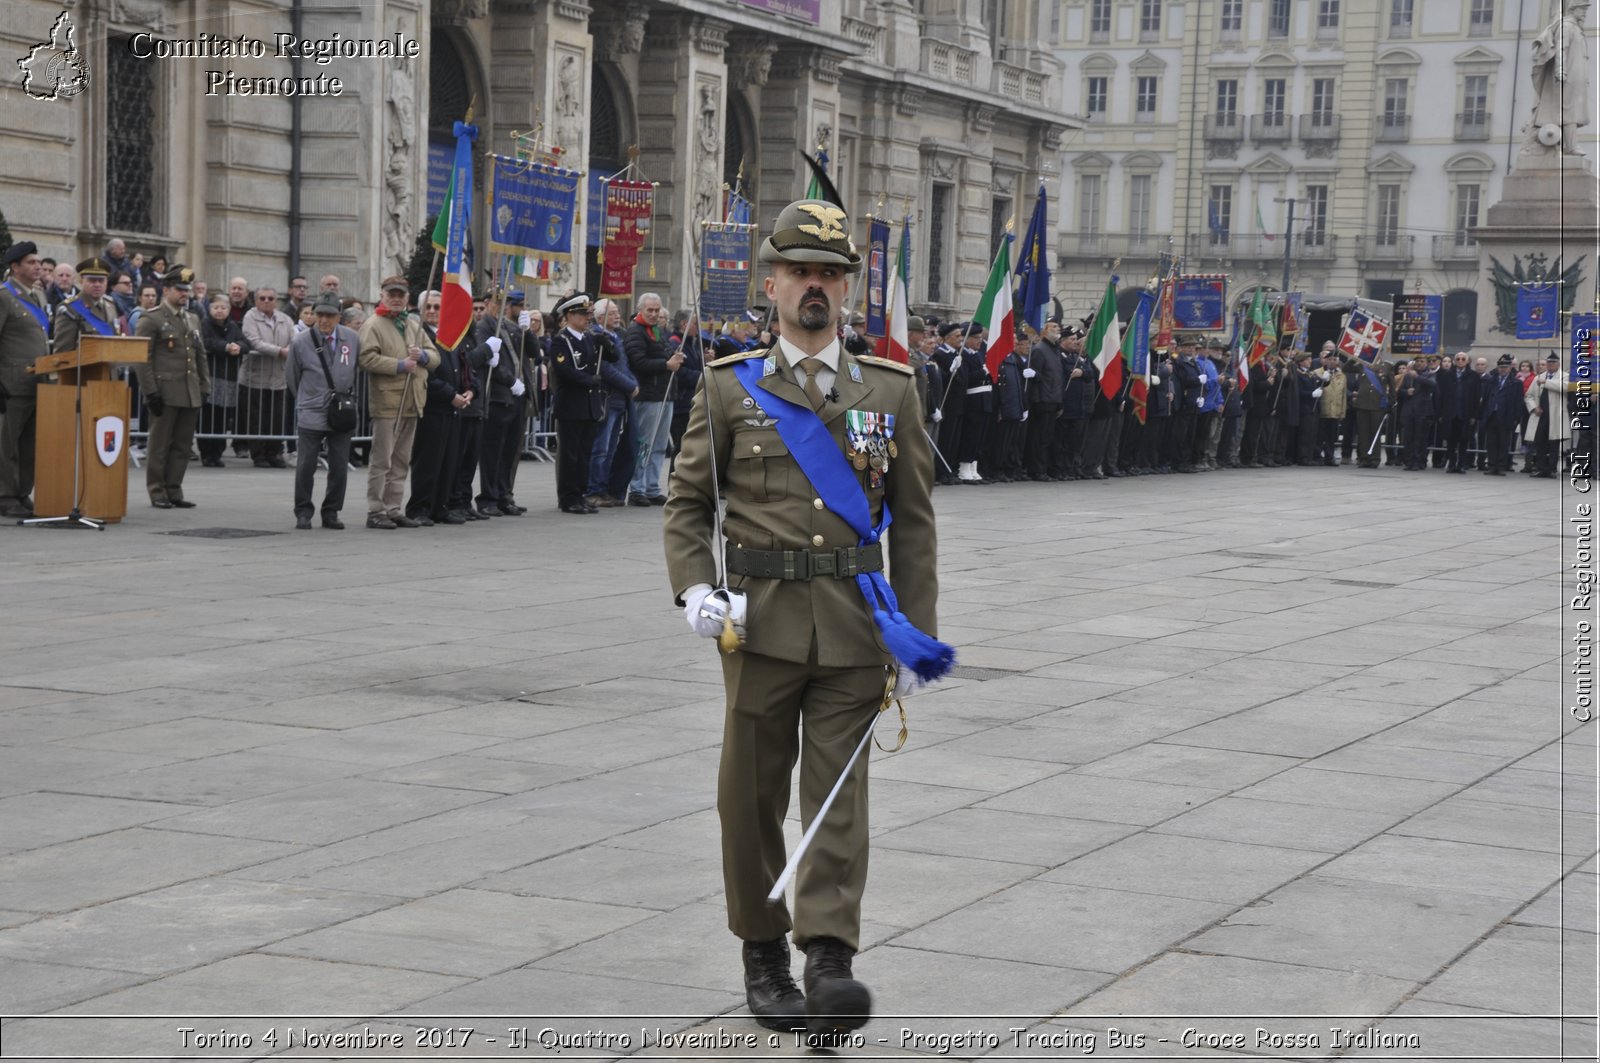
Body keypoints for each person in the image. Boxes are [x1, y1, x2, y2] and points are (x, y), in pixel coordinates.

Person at [662, 197, 941, 1040]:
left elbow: (916, 521)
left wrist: (912, 633)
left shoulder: (889, 388)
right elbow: (686, 504)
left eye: (830, 274)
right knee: (746, 798)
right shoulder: (727, 386)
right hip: (758, 624)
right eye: (801, 272)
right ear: (772, 283)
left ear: (846, 289)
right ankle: (762, 951)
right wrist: (693, 589)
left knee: (838, 798)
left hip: (855, 627)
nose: (815, 287)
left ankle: (828, 958)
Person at [358, 275, 436, 529]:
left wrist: (423, 355)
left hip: (412, 399)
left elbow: (435, 357)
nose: (395, 298)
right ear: (382, 295)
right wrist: (399, 365)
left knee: (401, 459)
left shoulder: (413, 323)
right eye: (391, 294)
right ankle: (376, 509)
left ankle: (393, 507)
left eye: (400, 295)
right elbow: (366, 358)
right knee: (382, 459)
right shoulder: (373, 324)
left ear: (407, 298)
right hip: (387, 400)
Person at [134, 267, 209, 508]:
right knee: (159, 444)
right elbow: (141, 358)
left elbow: (200, 355)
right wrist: (151, 392)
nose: (184, 294)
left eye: (186, 290)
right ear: (166, 290)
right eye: (179, 289)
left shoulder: (192, 318)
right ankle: (157, 491)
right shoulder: (152, 318)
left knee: (182, 445)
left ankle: (174, 489)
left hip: (189, 391)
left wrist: (204, 385)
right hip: (164, 391)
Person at [286, 292, 361, 528]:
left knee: (339, 465)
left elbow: (355, 369)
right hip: (312, 409)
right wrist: (309, 398)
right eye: (320, 315)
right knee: (306, 464)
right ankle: (303, 511)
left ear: (339, 316)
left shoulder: (351, 338)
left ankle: (331, 511)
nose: (324, 320)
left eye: (329, 315)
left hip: (341, 410)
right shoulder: (301, 342)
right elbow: (292, 377)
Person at [0, 241, 51, 517]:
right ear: (15, 267)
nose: (37, 267)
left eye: (38, 262)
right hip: (11, 383)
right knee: (7, 442)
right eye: (31, 262)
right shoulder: (4, 296)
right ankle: (5, 494)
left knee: (30, 442)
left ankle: (21, 491)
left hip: (37, 381)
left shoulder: (38, 297)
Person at [549, 293, 606, 514]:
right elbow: (563, 370)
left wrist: (607, 343)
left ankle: (580, 494)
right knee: (569, 454)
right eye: (582, 314)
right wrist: (588, 379)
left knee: (584, 453)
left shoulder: (590, 338)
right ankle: (568, 497)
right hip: (571, 405)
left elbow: (607, 358)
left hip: (589, 405)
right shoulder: (561, 340)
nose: (587, 318)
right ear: (570, 315)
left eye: (588, 314)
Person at [626, 292, 681, 506]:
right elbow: (638, 362)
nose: (654, 314)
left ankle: (651, 486)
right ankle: (637, 487)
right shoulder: (635, 332)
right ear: (641, 310)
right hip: (648, 396)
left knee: (659, 445)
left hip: (665, 395)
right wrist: (666, 365)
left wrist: (676, 358)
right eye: (650, 310)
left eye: (657, 310)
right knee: (645, 445)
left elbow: (664, 355)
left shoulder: (658, 331)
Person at [239, 286, 294, 467]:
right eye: (262, 298)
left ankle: (275, 452)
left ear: (276, 300)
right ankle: (258, 454)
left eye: (270, 298)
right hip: (255, 377)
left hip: (278, 377)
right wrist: (280, 351)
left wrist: (289, 351)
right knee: (256, 418)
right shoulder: (250, 317)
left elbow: (295, 340)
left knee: (277, 417)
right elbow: (254, 342)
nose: (266, 301)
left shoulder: (285, 319)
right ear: (255, 301)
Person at [197, 293, 248, 466]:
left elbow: (245, 342)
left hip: (228, 378)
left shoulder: (233, 326)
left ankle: (217, 452)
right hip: (210, 375)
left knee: (222, 417)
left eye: (223, 308)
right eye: (216, 307)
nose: (219, 311)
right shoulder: (205, 324)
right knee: (207, 416)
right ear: (209, 309)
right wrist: (225, 347)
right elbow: (206, 342)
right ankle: (206, 452)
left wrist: (238, 347)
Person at [51, 257, 124, 354]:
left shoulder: (110, 305)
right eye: (92, 280)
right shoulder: (70, 308)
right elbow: (62, 351)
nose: (97, 284)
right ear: (81, 281)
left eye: (101, 280)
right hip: (83, 367)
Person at [1525, 353, 1572, 477]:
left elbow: (1565, 388)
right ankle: (1541, 467)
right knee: (1540, 443)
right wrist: (1534, 407)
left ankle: (1551, 469)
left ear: (1558, 364)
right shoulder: (1538, 378)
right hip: (1541, 415)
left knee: (1553, 444)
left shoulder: (1565, 376)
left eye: (1553, 363)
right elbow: (1529, 396)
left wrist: (1546, 382)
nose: (1551, 365)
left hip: (1556, 416)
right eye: (1549, 363)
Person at [1479, 354, 1523, 475]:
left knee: (1504, 442)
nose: (1503, 369)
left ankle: (1501, 466)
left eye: (1505, 367)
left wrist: (1516, 418)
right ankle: (1492, 465)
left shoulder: (1516, 383)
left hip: (1506, 416)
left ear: (1510, 368)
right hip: (1491, 415)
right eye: (1501, 367)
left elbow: (1518, 402)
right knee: (1491, 442)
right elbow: (1486, 398)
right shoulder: (1491, 380)